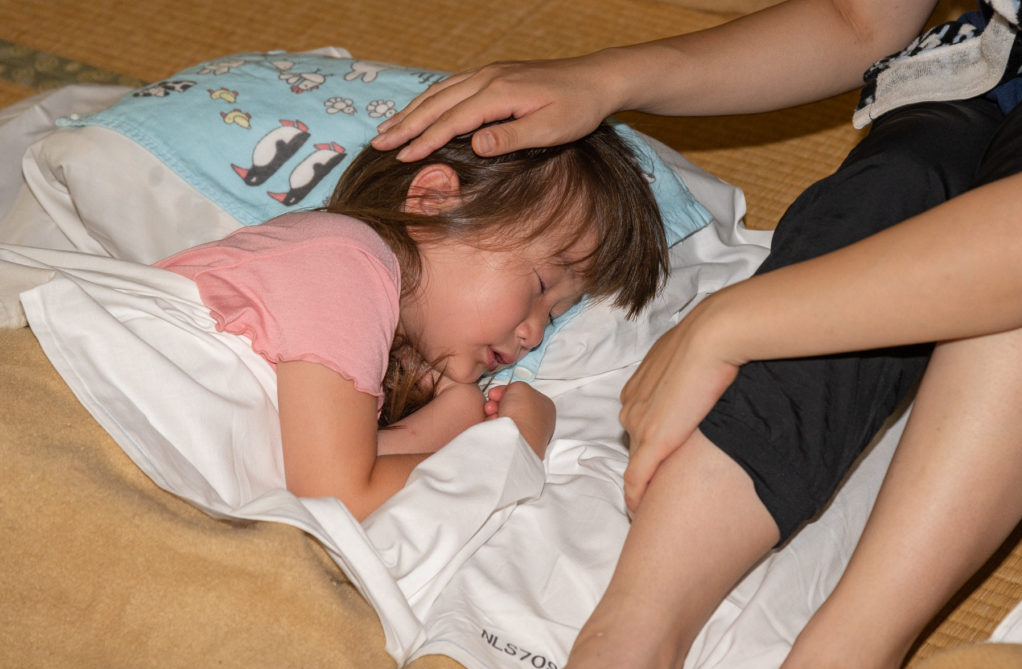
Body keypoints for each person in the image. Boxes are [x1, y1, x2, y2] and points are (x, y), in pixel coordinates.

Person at [371, 0, 1022, 669]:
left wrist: (729, 323)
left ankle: (843, 659)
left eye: (551, 298)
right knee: (885, 192)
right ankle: (626, 643)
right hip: (979, 69)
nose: (535, 331)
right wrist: (605, 78)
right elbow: (856, 18)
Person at [156, 122, 669, 521]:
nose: (534, 334)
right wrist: (513, 445)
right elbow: (335, 499)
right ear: (434, 202)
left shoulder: (376, 346)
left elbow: (301, 474)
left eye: (555, 314)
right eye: (540, 285)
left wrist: (455, 412)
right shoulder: (345, 260)